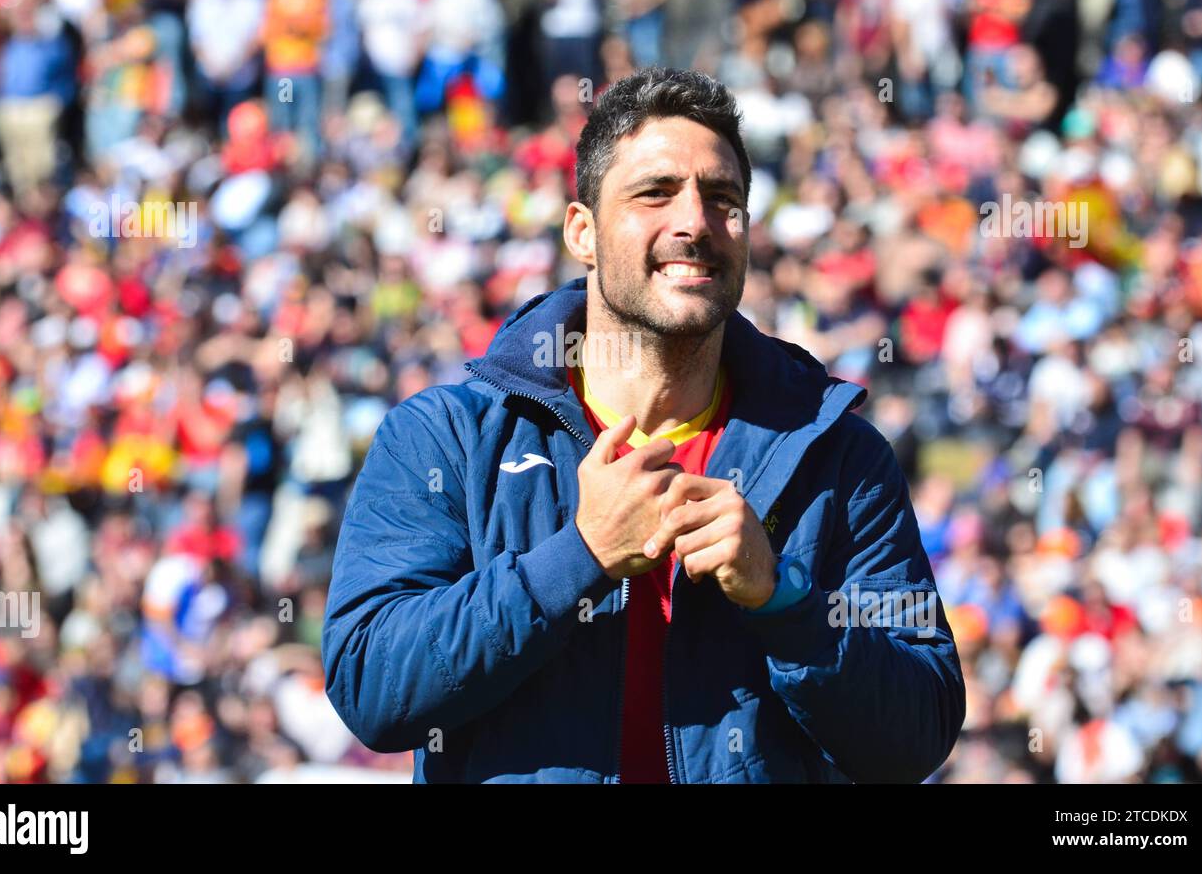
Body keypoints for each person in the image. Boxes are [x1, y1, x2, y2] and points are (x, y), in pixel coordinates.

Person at [323, 67, 966, 783]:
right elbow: (372, 688)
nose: (694, 223)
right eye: (655, 192)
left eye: (723, 198)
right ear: (583, 232)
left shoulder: (837, 454)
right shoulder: (445, 436)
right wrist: (579, 556)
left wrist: (782, 598)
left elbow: (919, 732)